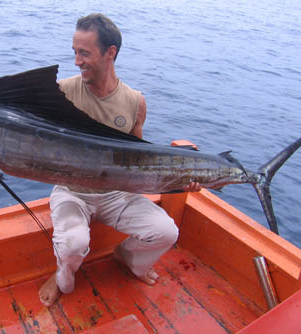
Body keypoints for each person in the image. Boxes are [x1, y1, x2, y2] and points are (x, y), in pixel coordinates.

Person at [39, 13, 201, 307]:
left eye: (84, 53)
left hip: (117, 194)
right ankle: (61, 277)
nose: (77, 61)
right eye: (75, 52)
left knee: (167, 232)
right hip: (73, 192)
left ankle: (128, 258)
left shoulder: (135, 102)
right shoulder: (61, 93)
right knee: (74, 244)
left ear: (110, 53)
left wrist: (179, 182)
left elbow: (138, 161)